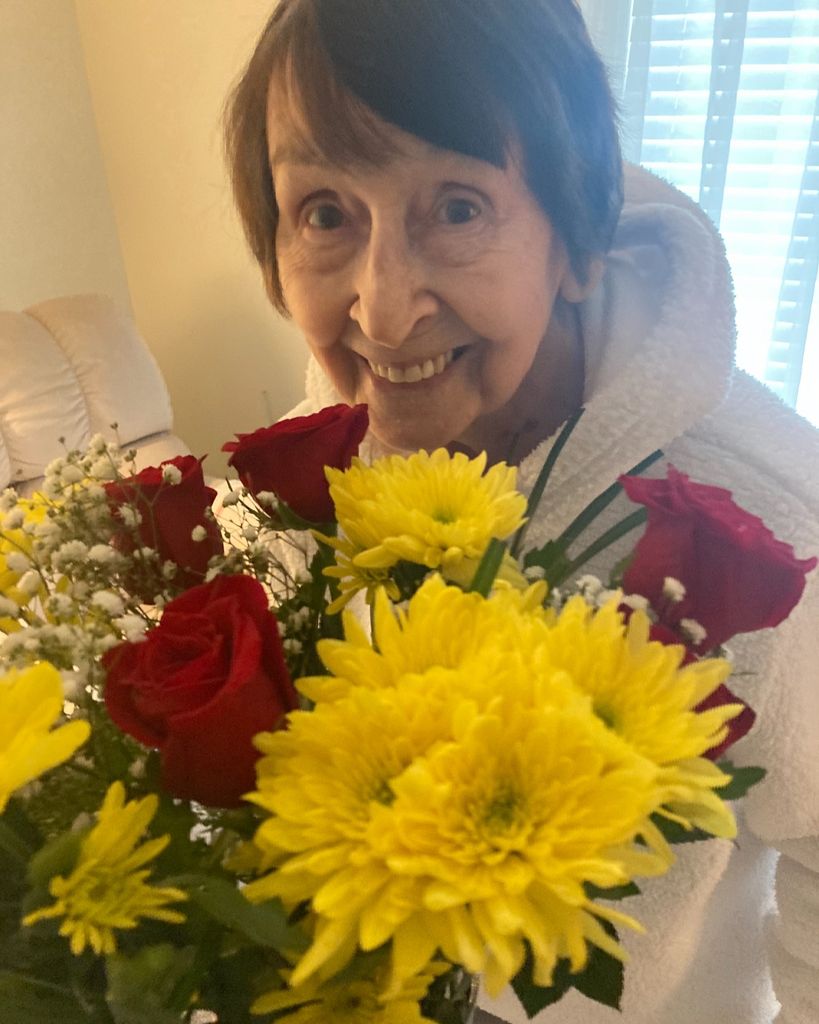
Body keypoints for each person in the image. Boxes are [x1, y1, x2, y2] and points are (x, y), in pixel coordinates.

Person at [224, 1, 819, 1021]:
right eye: (325, 213)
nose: (383, 310)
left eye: (457, 209)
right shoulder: (292, 489)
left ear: (576, 241)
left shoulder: (761, 535)